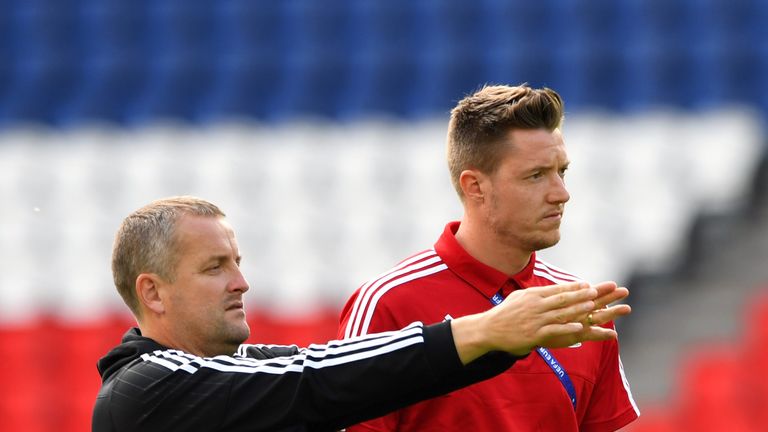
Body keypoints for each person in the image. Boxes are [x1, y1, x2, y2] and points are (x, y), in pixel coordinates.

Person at [93, 196, 631, 432]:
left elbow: (352, 380)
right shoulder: (147, 389)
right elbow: (318, 378)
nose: (241, 282)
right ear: (153, 293)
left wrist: (494, 343)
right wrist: (483, 330)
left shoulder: (238, 372)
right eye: (214, 268)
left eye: (238, 262)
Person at [338, 84, 640, 431]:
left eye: (562, 172)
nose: (562, 193)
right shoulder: (387, 304)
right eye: (536, 175)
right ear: (475, 186)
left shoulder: (579, 307)